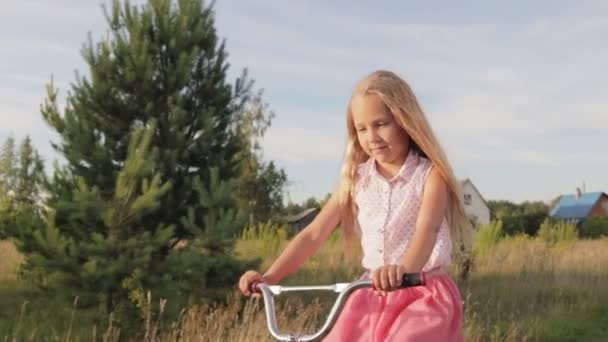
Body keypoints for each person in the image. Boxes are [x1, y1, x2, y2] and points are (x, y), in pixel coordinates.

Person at [238, 70, 471, 341]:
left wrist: (403, 270)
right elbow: (314, 233)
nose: (371, 136)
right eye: (362, 128)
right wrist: (270, 276)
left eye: (381, 123)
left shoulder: (431, 176)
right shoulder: (356, 180)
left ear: (406, 121)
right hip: (370, 292)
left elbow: (426, 231)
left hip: (421, 292)